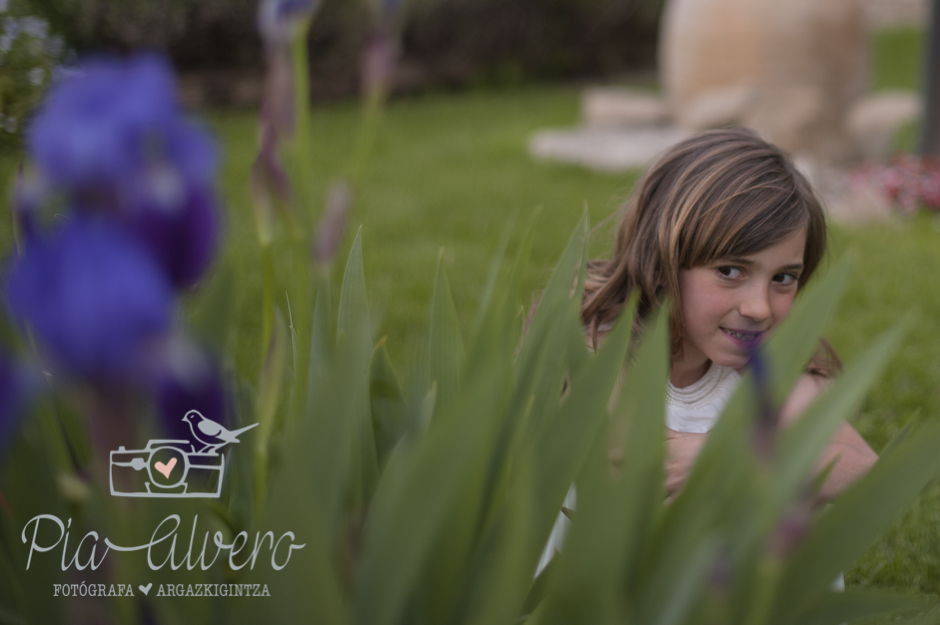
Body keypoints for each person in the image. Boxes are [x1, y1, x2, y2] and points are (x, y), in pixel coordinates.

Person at [534, 128, 878, 577]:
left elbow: (863, 465)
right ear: (662, 262)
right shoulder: (599, 347)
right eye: (731, 271)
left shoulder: (769, 365)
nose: (759, 308)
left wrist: (736, 458)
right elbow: (630, 453)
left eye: (784, 278)